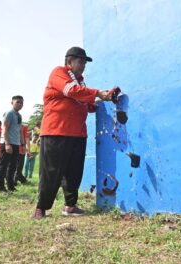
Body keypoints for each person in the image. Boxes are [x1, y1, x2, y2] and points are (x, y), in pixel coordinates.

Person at [33, 46, 112, 219]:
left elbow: (87, 103)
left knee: (74, 172)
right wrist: (97, 92)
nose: (83, 65)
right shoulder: (59, 73)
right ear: (69, 61)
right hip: (56, 131)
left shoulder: (80, 82)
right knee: (51, 172)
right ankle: (41, 207)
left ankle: (70, 205)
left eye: (85, 62)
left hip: (77, 133)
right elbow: (72, 91)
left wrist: (102, 99)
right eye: (80, 61)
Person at [0, 95, 24, 193]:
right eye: (18, 102)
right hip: (7, 143)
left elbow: (20, 130)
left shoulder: (19, 115)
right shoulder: (9, 113)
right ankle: (1, 188)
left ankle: (11, 186)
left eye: (21, 102)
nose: (20, 104)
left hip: (16, 143)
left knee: (13, 166)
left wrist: (23, 144)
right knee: (3, 166)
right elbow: (4, 128)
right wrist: (7, 144)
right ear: (12, 102)